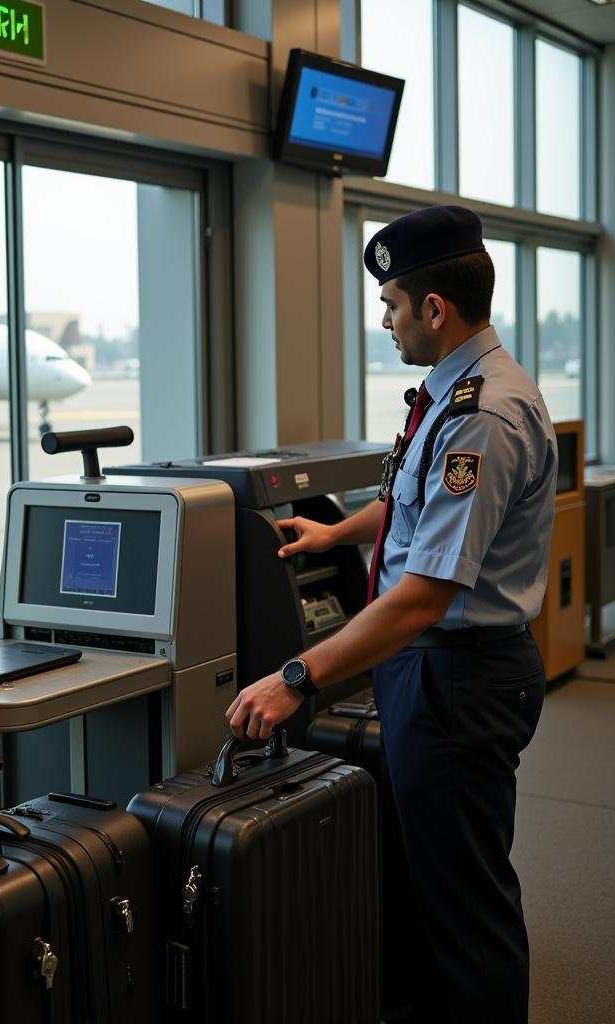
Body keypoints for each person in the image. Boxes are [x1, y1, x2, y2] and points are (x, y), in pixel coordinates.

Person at [227, 205, 557, 1024]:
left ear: (434, 309)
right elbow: (416, 512)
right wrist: (339, 529)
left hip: (458, 677)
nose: (385, 321)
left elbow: (423, 593)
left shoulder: (484, 414)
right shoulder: (457, 396)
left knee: (465, 909)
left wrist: (299, 675)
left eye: (391, 305)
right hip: (434, 671)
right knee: (418, 888)